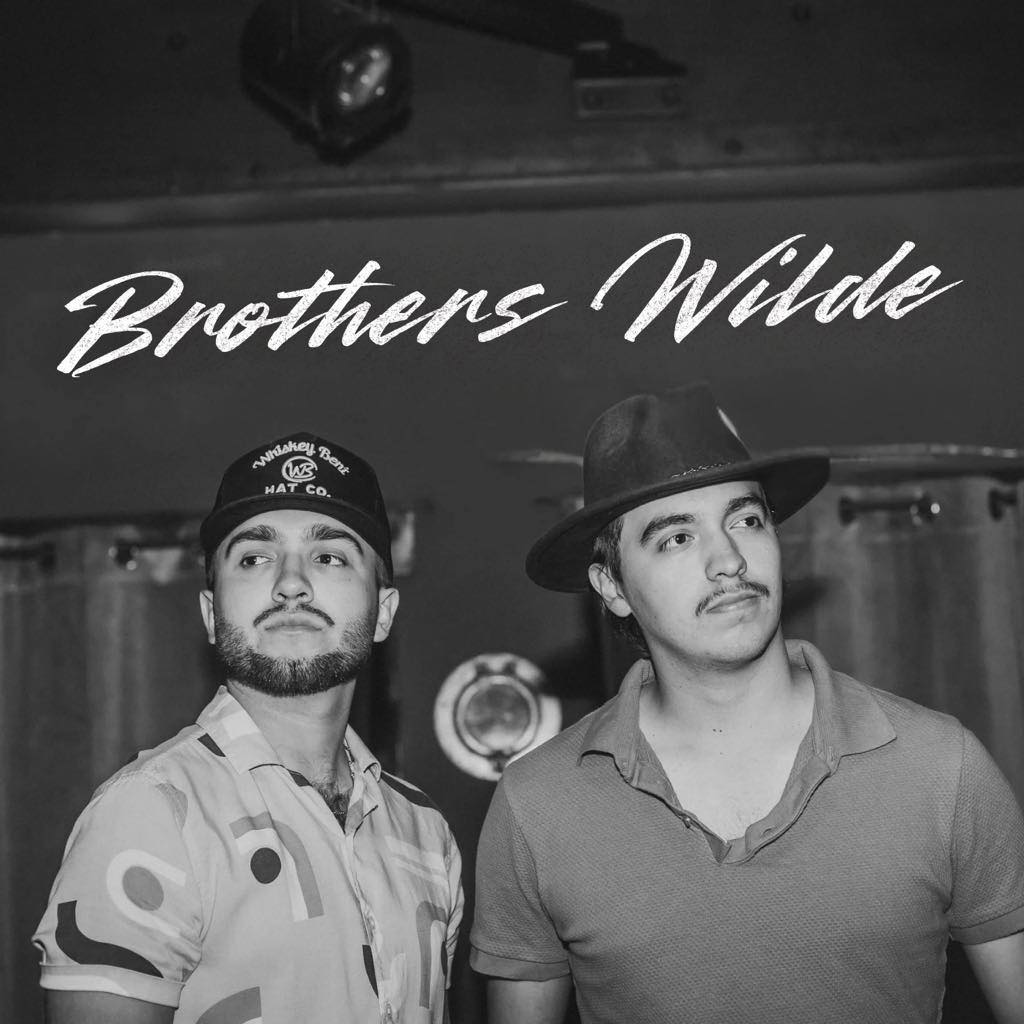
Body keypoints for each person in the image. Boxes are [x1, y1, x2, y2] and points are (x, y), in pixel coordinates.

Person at [470, 383, 1024, 1024]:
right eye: (676, 538)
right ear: (612, 586)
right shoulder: (535, 807)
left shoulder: (942, 768)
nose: (728, 559)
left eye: (746, 520)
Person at [34, 432, 463, 1024]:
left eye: (330, 556)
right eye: (255, 558)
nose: (291, 582)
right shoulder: (152, 812)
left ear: (383, 612)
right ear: (212, 614)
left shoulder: (426, 832)